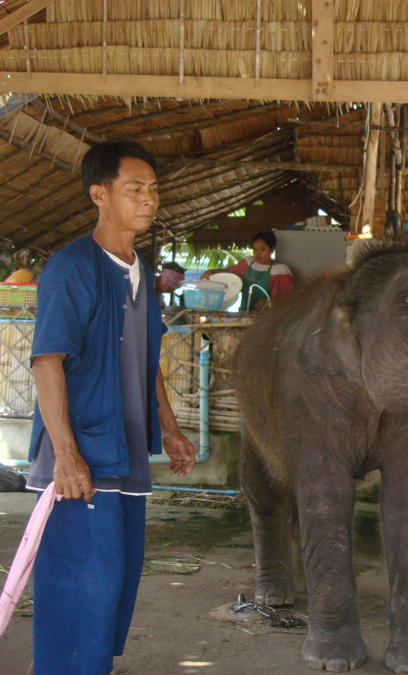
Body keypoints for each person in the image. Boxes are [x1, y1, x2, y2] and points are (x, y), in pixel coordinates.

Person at [26, 140, 196, 674]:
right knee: (80, 584)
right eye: (135, 189)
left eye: (153, 190)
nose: (150, 200)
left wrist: (169, 430)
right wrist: (65, 455)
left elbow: (149, 362)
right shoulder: (71, 267)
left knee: (113, 583)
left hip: (126, 456)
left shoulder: (140, 270)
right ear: (100, 194)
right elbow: (46, 362)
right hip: (81, 460)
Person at [202, 231, 294, 311]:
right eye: (255, 250)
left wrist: (268, 302)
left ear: (272, 250)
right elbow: (229, 274)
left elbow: (288, 299)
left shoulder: (280, 271)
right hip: (244, 313)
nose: (258, 254)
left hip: (268, 319)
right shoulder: (247, 264)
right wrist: (211, 272)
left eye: (262, 250)